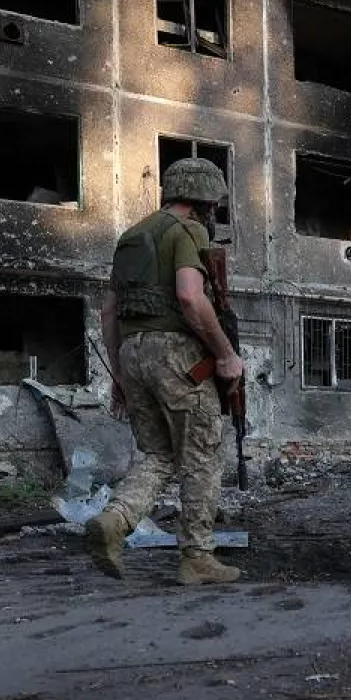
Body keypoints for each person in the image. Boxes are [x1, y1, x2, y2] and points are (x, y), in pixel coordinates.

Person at [85, 158, 244, 585]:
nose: (214, 212)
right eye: (215, 205)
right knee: (201, 455)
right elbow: (190, 297)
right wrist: (225, 355)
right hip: (179, 357)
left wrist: (119, 376)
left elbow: (109, 311)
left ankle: (115, 520)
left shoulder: (131, 237)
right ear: (204, 200)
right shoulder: (187, 230)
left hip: (133, 353)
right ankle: (197, 556)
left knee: (157, 455)